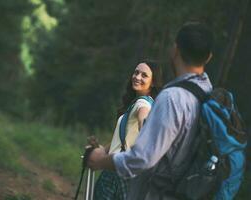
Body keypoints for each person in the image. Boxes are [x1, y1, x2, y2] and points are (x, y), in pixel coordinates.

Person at [87, 21, 214, 200]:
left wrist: (99, 161)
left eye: (144, 75)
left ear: (175, 49)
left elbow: (142, 158)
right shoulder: (208, 94)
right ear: (208, 57)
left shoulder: (172, 98)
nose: (138, 77)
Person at [94, 61, 162, 200]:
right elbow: (122, 140)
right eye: (136, 72)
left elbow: (144, 123)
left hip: (115, 172)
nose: (137, 77)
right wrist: (102, 150)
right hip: (125, 172)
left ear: (153, 82)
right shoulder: (146, 103)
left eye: (144, 75)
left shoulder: (143, 104)